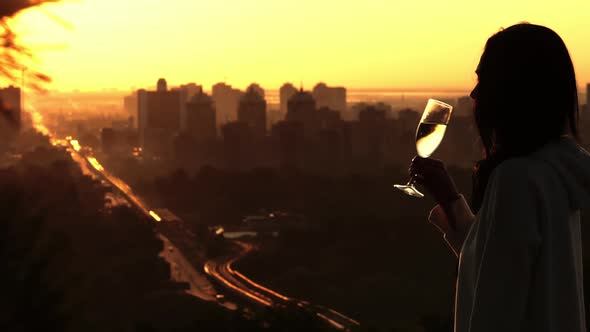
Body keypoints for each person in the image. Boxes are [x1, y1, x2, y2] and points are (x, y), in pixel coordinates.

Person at [410, 23, 590, 332]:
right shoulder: (557, 171)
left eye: (483, 80)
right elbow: (496, 264)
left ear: (514, 88)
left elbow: (495, 308)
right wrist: (451, 201)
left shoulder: (516, 178)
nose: (474, 93)